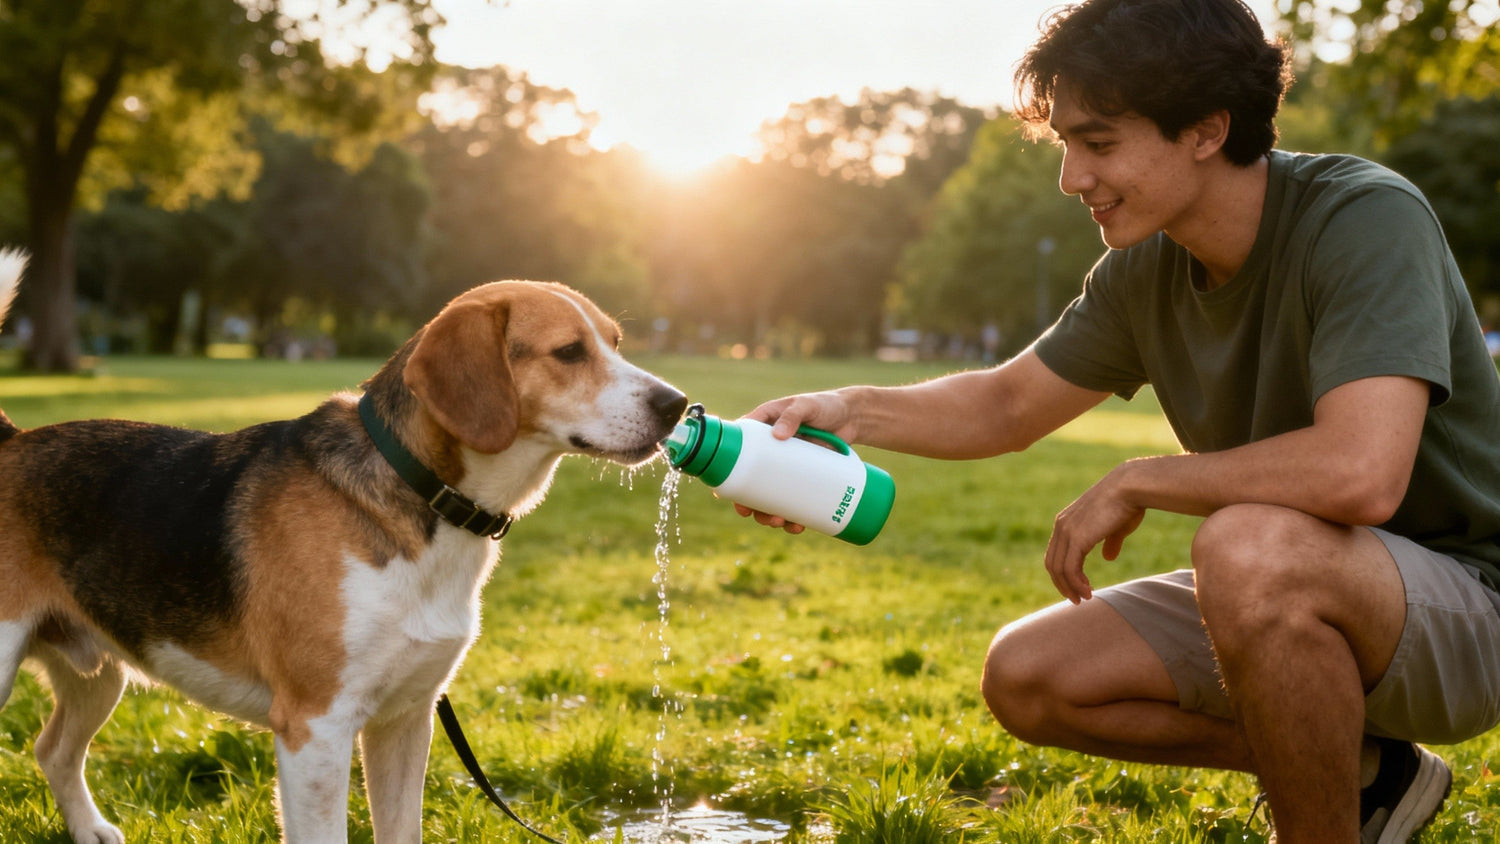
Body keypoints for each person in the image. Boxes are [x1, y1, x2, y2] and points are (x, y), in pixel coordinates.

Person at [734, 0, 1500, 841]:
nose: (1071, 178)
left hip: (1469, 603)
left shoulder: (1362, 218)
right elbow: (1005, 404)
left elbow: (1361, 472)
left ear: (1207, 130)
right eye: (1066, 143)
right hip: (1314, 583)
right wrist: (841, 409)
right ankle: (1368, 774)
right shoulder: (1144, 266)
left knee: (1244, 545)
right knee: (1030, 674)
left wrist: (1143, 478)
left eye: (1098, 144)